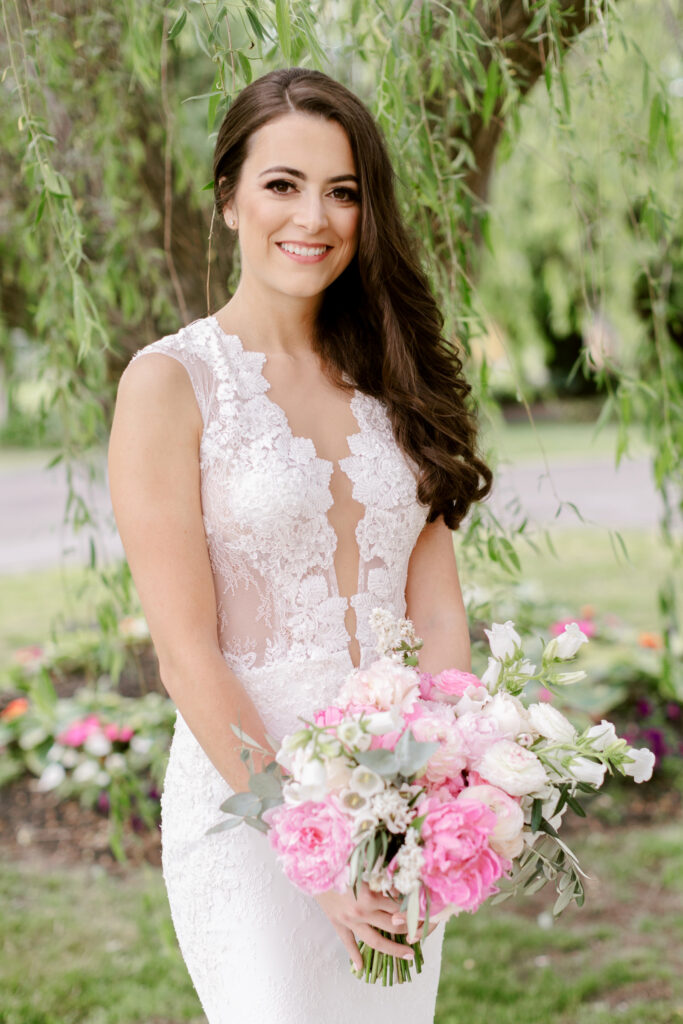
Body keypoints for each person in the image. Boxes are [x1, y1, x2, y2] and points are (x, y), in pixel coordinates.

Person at [108, 67, 491, 1024]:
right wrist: (312, 850)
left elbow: (436, 610)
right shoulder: (170, 385)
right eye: (282, 183)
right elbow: (186, 652)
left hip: (397, 803)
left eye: (343, 190)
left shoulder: (396, 380)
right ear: (229, 197)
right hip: (250, 803)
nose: (312, 216)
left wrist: (430, 795)